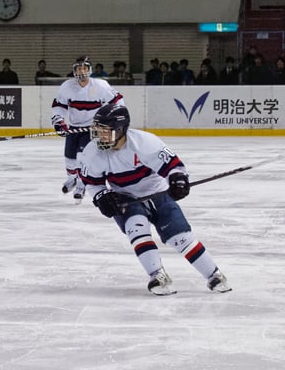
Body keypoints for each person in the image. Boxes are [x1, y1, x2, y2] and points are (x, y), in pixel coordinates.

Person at [80, 104, 231, 295]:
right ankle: (157, 275)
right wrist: (101, 196)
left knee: (180, 236)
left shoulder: (145, 143)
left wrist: (178, 180)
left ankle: (214, 274)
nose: (99, 136)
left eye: (105, 131)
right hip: (126, 198)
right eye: (97, 131)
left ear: (120, 129)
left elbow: (174, 167)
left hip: (157, 193)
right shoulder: (92, 152)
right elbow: (92, 183)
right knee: (137, 229)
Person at [51, 56, 125, 203]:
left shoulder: (101, 86)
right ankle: (73, 178)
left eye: (84, 68)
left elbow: (117, 101)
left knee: (82, 157)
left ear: (89, 69)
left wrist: (116, 118)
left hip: (92, 129)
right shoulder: (67, 87)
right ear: (74, 71)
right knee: (69, 159)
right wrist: (59, 122)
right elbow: (59, 106)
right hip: (74, 128)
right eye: (78, 68)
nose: (82, 71)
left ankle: (80, 185)